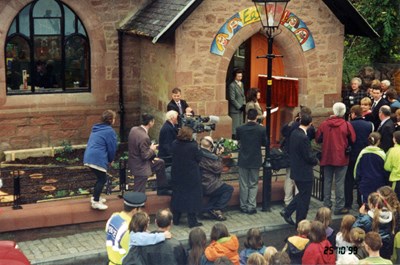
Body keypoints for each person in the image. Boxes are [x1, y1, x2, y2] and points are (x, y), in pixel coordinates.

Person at [316, 102, 356, 215]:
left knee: (327, 181)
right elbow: (353, 139)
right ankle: (339, 206)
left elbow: (318, 138)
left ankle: (326, 205)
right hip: (341, 157)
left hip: (327, 155)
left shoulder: (325, 124)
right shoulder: (346, 124)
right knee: (339, 183)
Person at [280, 113, 318, 226]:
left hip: (296, 170)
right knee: (304, 199)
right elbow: (308, 156)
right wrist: (315, 160)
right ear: (310, 124)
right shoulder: (303, 137)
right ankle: (300, 222)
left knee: (302, 194)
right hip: (304, 172)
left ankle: (287, 212)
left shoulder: (294, 133)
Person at [123, 209, 187, 265]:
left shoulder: (142, 242)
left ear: (156, 222)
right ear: (171, 222)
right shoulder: (176, 245)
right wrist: (163, 235)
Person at [128, 113, 171, 195]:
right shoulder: (144, 137)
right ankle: (137, 204)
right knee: (139, 189)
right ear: (150, 122)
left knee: (160, 163)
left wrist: (152, 157)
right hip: (141, 166)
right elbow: (145, 156)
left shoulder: (134, 129)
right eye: (153, 121)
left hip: (134, 161)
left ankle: (162, 189)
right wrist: (152, 149)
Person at [83, 109, 117, 210]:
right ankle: (95, 202)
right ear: (111, 120)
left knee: (100, 178)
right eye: (114, 118)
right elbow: (112, 148)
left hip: (89, 157)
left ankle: (95, 197)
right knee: (102, 179)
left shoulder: (97, 128)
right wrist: (111, 160)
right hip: (97, 158)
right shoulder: (109, 131)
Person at [170, 126, 203, 228]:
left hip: (177, 173)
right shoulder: (193, 146)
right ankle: (192, 221)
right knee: (192, 197)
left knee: (177, 195)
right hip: (191, 175)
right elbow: (199, 158)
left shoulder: (174, 143)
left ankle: (176, 219)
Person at [236, 108, 267, 214]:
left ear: (246, 117)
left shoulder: (240, 128)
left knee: (243, 183)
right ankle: (251, 206)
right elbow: (265, 143)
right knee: (253, 183)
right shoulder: (261, 129)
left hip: (243, 159)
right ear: (256, 117)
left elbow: (238, 140)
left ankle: (243, 206)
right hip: (255, 159)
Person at [345, 105, 374, 209]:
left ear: (353, 114)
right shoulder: (369, 125)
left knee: (348, 179)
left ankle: (348, 203)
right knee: (361, 179)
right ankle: (360, 202)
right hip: (364, 155)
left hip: (351, 155)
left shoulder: (349, 124)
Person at [105, 192, 146, 265]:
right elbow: (133, 251)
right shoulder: (130, 228)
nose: (141, 212)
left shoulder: (114, 217)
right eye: (140, 209)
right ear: (134, 210)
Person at [199, 136, 233, 221]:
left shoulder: (198, 153)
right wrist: (219, 156)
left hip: (199, 182)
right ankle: (216, 208)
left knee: (218, 191)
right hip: (208, 184)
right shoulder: (211, 157)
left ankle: (206, 210)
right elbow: (218, 169)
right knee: (228, 189)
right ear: (210, 146)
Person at [352, 192, 394, 259]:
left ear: (371, 205)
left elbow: (354, 230)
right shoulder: (390, 216)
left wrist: (361, 215)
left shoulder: (366, 219)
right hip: (386, 250)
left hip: (370, 251)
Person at [354, 132, 388, 203]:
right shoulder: (382, 154)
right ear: (378, 141)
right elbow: (385, 169)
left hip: (365, 182)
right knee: (378, 203)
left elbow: (357, 169)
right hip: (379, 182)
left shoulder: (362, 152)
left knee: (366, 203)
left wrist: (357, 181)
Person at [228, 69, 246, 139]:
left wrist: (244, 104)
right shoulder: (232, 85)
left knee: (241, 125)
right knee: (235, 127)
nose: (240, 78)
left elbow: (243, 95)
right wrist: (239, 106)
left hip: (241, 108)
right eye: (238, 76)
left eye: (241, 76)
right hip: (235, 109)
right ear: (235, 76)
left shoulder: (241, 84)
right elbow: (232, 98)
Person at [384, 131, 400, 198]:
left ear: (394, 140)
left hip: (396, 179)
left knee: (395, 200)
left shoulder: (392, 150)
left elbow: (387, 167)